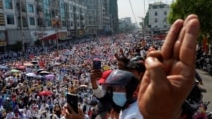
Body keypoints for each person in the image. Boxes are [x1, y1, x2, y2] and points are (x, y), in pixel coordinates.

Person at [65, 14, 200, 119]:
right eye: (114, 88)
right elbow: (101, 94)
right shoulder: (125, 107)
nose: (115, 92)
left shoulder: (142, 110)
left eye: (120, 87)